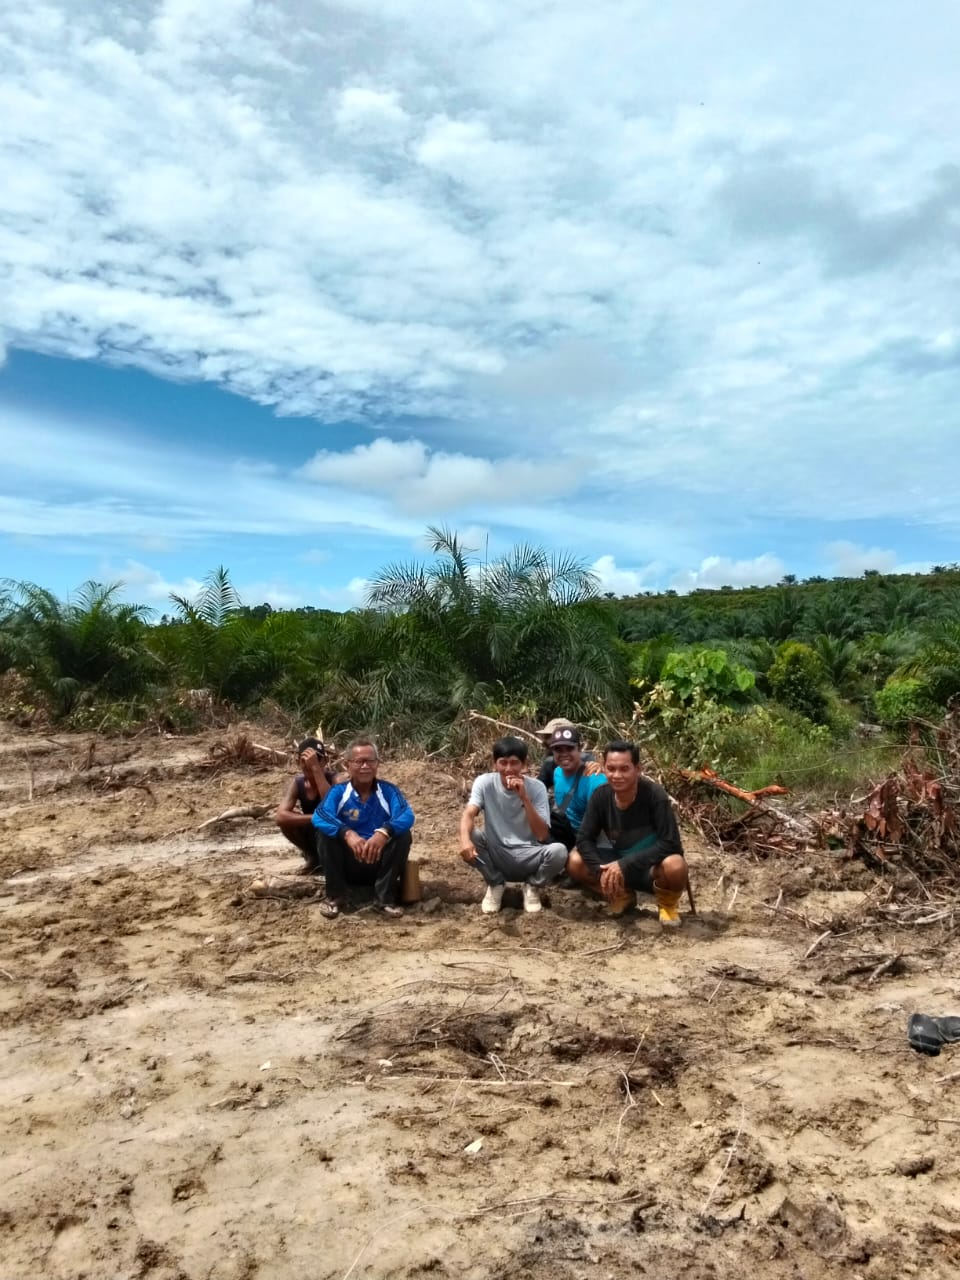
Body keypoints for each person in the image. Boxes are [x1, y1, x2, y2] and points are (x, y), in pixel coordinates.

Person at [568, 740, 688, 926]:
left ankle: (667, 905)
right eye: (611, 769)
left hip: (650, 869)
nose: (617, 775)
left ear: (637, 769)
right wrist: (601, 871)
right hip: (616, 870)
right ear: (604, 768)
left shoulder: (654, 795)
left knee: (675, 865)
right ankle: (621, 895)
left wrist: (624, 865)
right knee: (575, 861)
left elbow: (671, 843)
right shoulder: (600, 796)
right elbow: (584, 839)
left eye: (624, 769)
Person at [459, 736, 568, 914]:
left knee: (559, 851)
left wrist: (524, 798)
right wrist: (465, 841)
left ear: (524, 764)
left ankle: (533, 886)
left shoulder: (537, 788)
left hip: (529, 854)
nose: (508, 769)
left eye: (514, 763)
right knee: (470, 833)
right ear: (494, 764)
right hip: (497, 852)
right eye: (503, 763)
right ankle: (495, 883)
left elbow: (542, 835)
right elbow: (469, 813)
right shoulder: (485, 783)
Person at [312, 738, 414, 918]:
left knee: (403, 835)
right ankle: (335, 896)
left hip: (378, 861)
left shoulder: (389, 791)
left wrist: (384, 832)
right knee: (324, 834)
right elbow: (320, 815)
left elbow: (406, 814)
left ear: (377, 764)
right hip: (348, 863)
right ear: (347, 765)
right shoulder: (338, 792)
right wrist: (347, 833)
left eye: (370, 761)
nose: (365, 766)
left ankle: (384, 900)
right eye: (359, 761)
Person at [274, 737, 338, 874]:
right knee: (289, 822)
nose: (310, 764)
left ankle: (332, 862)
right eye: (305, 760)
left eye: (316, 759)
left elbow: (331, 808)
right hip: (314, 830)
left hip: (334, 835)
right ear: (298, 762)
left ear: (325, 761)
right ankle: (313, 857)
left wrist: (316, 769)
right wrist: (316, 818)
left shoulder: (336, 779)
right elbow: (280, 817)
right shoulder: (298, 783)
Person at [545, 725, 607, 850]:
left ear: (579, 749)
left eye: (569, 749)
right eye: (558, 750)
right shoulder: (557, 772)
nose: (564, 754)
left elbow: (602, 823)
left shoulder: (594, 779)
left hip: (587, 838)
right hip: (564, 832)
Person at [535, 717, 598, 790]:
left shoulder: (586, 761)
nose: (564, 753)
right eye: (558, 748)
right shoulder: (549, 763)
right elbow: (538, 789)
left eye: (569, 748)